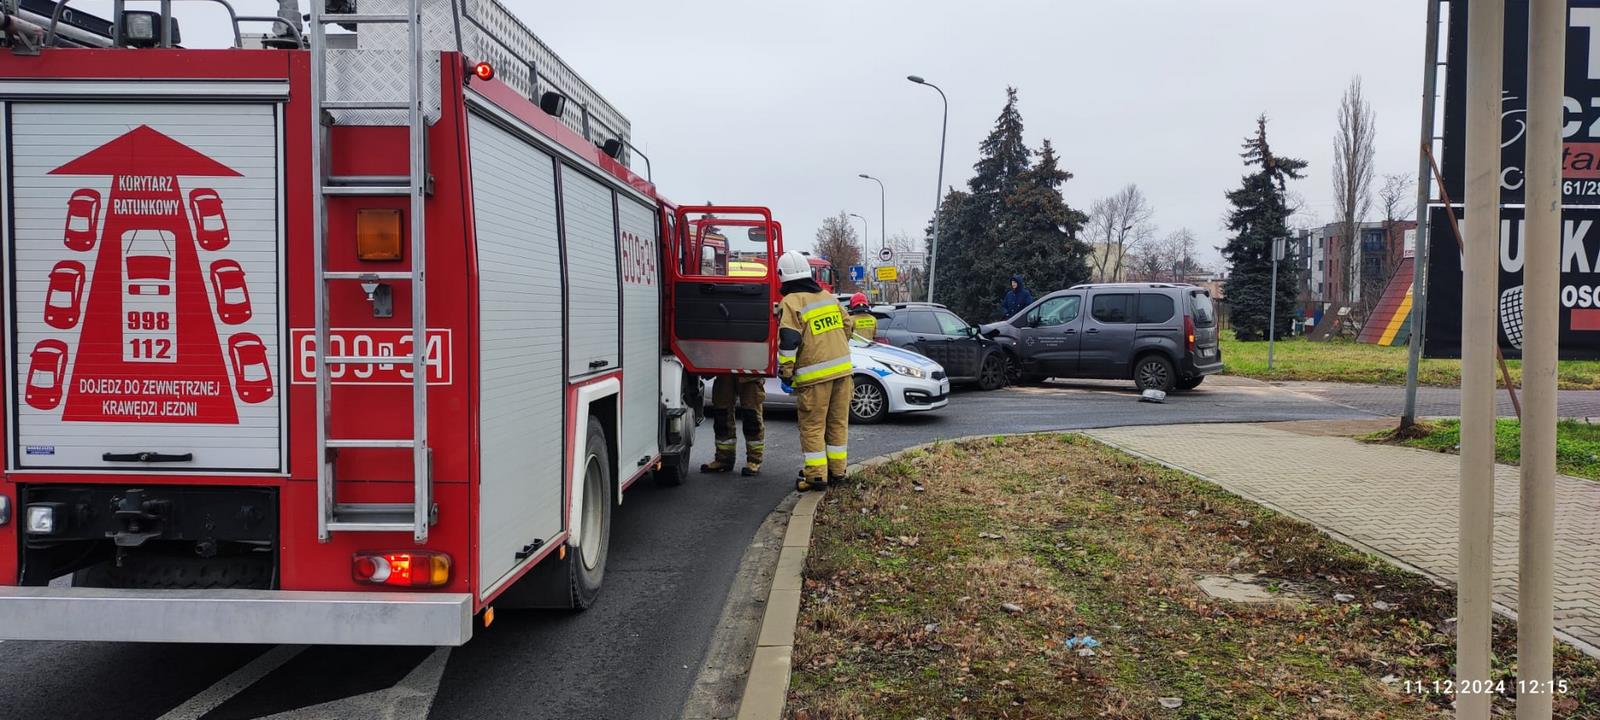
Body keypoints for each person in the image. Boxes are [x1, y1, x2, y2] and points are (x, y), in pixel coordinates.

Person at [775, 250, 853, 492]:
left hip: (814, 378)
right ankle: (837, 472)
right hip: (843, 373)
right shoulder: (828, 297)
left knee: (813, 426)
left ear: (782, 275)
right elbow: (848, 325)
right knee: (837, 423)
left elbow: (789, 340)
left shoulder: (791, 302)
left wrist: (786, 372)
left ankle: (816, 476)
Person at [700, 374, 765, 476]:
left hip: (750, 374)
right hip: (724, 373)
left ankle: (754, 460)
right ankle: (723, 459)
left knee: (751, 418)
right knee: (722, 415)